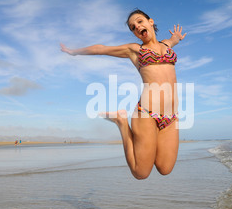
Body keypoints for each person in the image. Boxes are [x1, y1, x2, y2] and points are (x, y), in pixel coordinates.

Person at [60, 9, 186, 180]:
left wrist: (176, 38)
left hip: (171, 117)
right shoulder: (135, 50)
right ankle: (121, 122)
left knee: (165, 168)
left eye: (140, 21)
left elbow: (173, 40)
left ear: (151, 22)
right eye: (133, 27)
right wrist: (74, 52)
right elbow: (101, 49)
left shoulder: (166, 45)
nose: (137, 27)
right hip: (147, 113)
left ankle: (131, 130)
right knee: (140, 172)